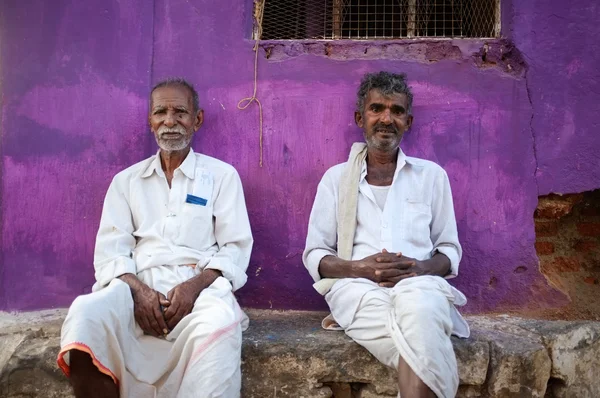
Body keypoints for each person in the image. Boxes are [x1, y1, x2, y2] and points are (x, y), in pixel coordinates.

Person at [57, 78, 253, 398]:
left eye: (180, 112)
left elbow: (235, 246)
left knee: (219, 325)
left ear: (197, 120)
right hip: (136, 286)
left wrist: (194, 287)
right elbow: (111, 251)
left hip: (200, 289)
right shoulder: (126, 181)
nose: (170, 121)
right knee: (86, 314)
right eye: (161, 112)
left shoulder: (221, 176)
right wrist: (140, 292)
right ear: (150, 121)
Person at [303, 71, 469, 398]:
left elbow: (449, 250)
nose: (386, 118)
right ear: (359, 118)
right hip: (356, 290)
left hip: (420, 285)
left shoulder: (431, 177)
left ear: (408, 121)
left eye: (396, 111)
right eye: (377, 108)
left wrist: (418, 268)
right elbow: (315, 255)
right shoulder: (336, 179)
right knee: (423, 344)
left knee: (421, 313)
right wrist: (360, 268)